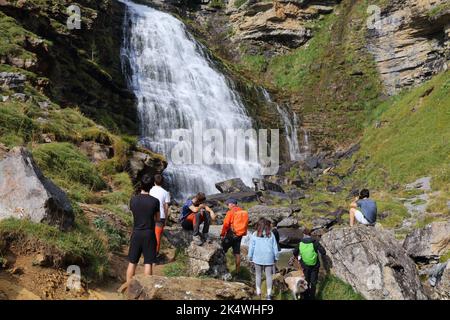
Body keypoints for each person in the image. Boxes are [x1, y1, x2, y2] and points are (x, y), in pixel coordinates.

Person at [126, 174, 160, 287]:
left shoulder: (133, 200)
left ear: (141, 185)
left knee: (132, 262)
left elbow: (133, 215)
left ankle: (128, 289)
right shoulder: (155, 201)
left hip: (136, 232)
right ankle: (147, 290)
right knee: (148, 263)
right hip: (149, 233)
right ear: (152, 186)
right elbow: (158, 219)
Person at [248, 218, 279, 300]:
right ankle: (269, 295)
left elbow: (251, 247)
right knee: (269, 276)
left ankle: (258, 293)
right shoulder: (271, 234)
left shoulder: (255, 234)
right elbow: (275, 247)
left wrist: (250, 257)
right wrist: (276, 257)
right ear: (267, 226)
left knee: (258, 275)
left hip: (257, 257)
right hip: (269, 258)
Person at [293, 228, 326, 300]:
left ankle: (306, 297)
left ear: (303, 235)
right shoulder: (314, 242)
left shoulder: (300, 243)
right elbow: (323, 252)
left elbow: (294, 252)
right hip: (315, 265)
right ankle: (312, 297)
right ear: (310, 234)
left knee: (306, 281)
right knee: (313, 282)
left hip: (305, 265)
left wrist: (299, 258)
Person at [220, 198, 249, 274]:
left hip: (231, 235)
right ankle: (237, 271)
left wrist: (222, 235)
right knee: (237, 253)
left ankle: (222, 268)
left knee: (222, 250)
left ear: (232, 204)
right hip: (239, 235)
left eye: (228, 204)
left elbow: (226, 225)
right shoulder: (243, 212)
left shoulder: (230, 212)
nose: (227, 206)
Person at [149, 174, 170, 258]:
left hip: (150, 215)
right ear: (163, 182)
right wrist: (166, 219)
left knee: (149, 234)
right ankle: (155, 255)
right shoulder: (165, 192)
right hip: (161, 216)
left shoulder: (150, 190)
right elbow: (166, 207)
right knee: (157, 236)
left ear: (154, 182)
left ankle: (147, 253)